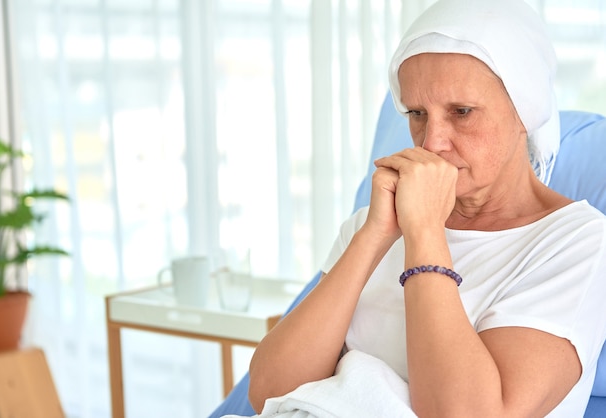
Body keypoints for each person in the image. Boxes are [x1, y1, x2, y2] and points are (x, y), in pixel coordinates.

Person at [245, 0, 606, 417]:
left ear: (525, 111)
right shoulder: (373, 226)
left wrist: (426, 233)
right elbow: (270, 392)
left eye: (462, 112)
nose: (431, 142)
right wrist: (375, 235)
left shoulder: (579, 244)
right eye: (417, 113)